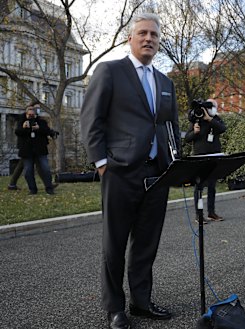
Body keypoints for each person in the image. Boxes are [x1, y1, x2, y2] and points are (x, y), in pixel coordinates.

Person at [80, 13, 180, 329]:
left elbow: (171, 126)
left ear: (159, 41)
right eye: (143, 33)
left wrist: (175, 162)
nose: (148, 38)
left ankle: (141, 302)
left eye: (154, 34)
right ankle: (114, 307)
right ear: (131, 38)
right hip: (120, 172)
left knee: (146, 242)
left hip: (157, 174)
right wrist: (101, 163)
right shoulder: (110, 71)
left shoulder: (166, 82)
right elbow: (91, 120)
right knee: (115, 244)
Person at [184, 99, 226, 222]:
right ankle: (199, 215)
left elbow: (222, 129)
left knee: (212, 186)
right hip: (200, 157)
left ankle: (211, 213)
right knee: (199, 187)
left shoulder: (215, 119)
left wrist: (210, 119)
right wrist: (194, 132)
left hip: (214, 156)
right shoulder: (197, 119)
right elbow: (187, 138)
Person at [14, 103, 56, 195]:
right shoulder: (22, 122)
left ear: (36, 114)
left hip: (40, 150)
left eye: (33, 115)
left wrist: (39, 128)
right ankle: (32, 189)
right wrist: (24, 127)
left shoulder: (41, 122)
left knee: (45, 169)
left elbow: (47, 131)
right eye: (29, 115)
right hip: (26, 151)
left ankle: (49, 188)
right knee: (28, 171)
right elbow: (17, 132)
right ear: (26, 114)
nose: (31, 117)